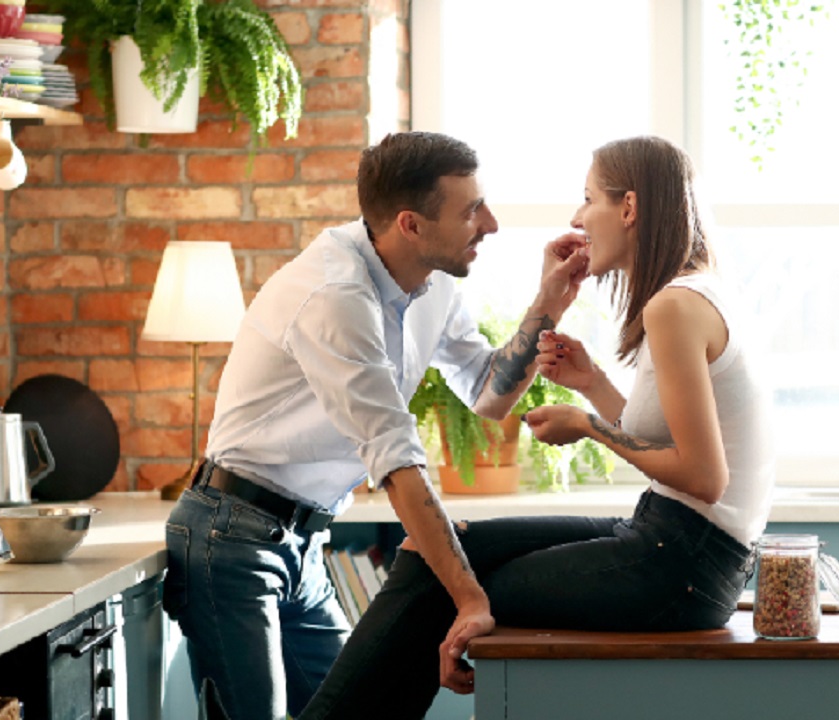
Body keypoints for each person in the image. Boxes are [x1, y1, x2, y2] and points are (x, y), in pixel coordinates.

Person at [299, 135, 774, 719]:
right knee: (438, 548)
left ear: (628, 209)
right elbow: (677, 442)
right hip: (675, 544)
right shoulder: (694, 292)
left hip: (682, 564)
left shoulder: (673, 306)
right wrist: (592, 382)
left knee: (447, 580)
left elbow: (703, 477)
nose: (577, 217)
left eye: (588, 198)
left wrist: (590, 426)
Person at [162, 131, 592, 720]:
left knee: (351, 708)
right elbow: (396, 460)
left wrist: (550, 300)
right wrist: (469, 601)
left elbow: (488, 394)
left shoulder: (433, 282)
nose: (489, 224)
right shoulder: (336, 295)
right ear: (410, 224)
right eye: (471, 210)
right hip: (230, 538)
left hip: (302, 542)